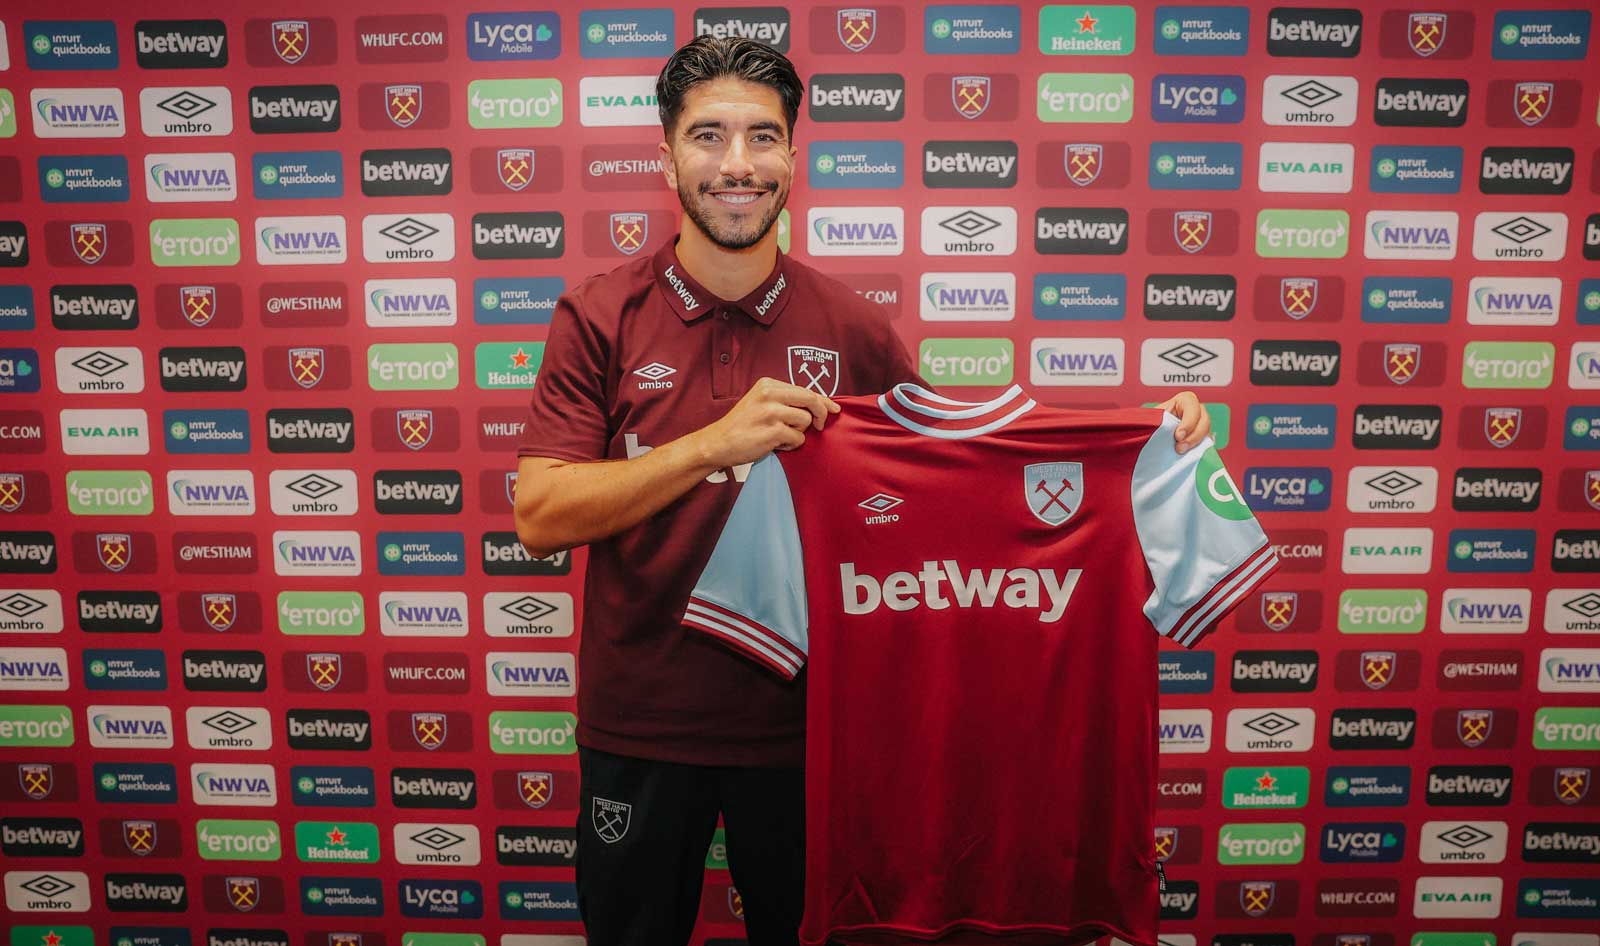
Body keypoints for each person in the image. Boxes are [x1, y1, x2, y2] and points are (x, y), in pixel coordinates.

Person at [512, 36, 1213, 946]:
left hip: (816, 736)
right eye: (708, 136)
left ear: (793, 160)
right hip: (641, 724)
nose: (737, 164)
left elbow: (959, 482)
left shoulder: (852, 327)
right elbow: (539, 515)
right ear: (667, 157)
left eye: (762, 138)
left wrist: (1145, 439)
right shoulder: (599, 314)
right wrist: (712, 445)